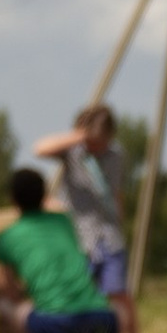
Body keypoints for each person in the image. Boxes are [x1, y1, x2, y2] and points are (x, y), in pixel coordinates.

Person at [0, 163, 134, 333]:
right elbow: (58, 208)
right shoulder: (63, 221)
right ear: (44, 195)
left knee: (4, 303)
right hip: (103, 323)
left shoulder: (6, 237)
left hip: (54, 326)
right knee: (121, 310)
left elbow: (9, 289)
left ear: (12, 198)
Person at [34, 102, 130, 296]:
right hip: (78, 236)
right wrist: (80, 135)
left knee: (115, 292)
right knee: (79, 293)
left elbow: (116, 191)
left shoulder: (116, 156)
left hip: (109, 236)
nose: (96, 147)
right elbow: (40, 149)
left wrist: (120, 217)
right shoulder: (74, 151)